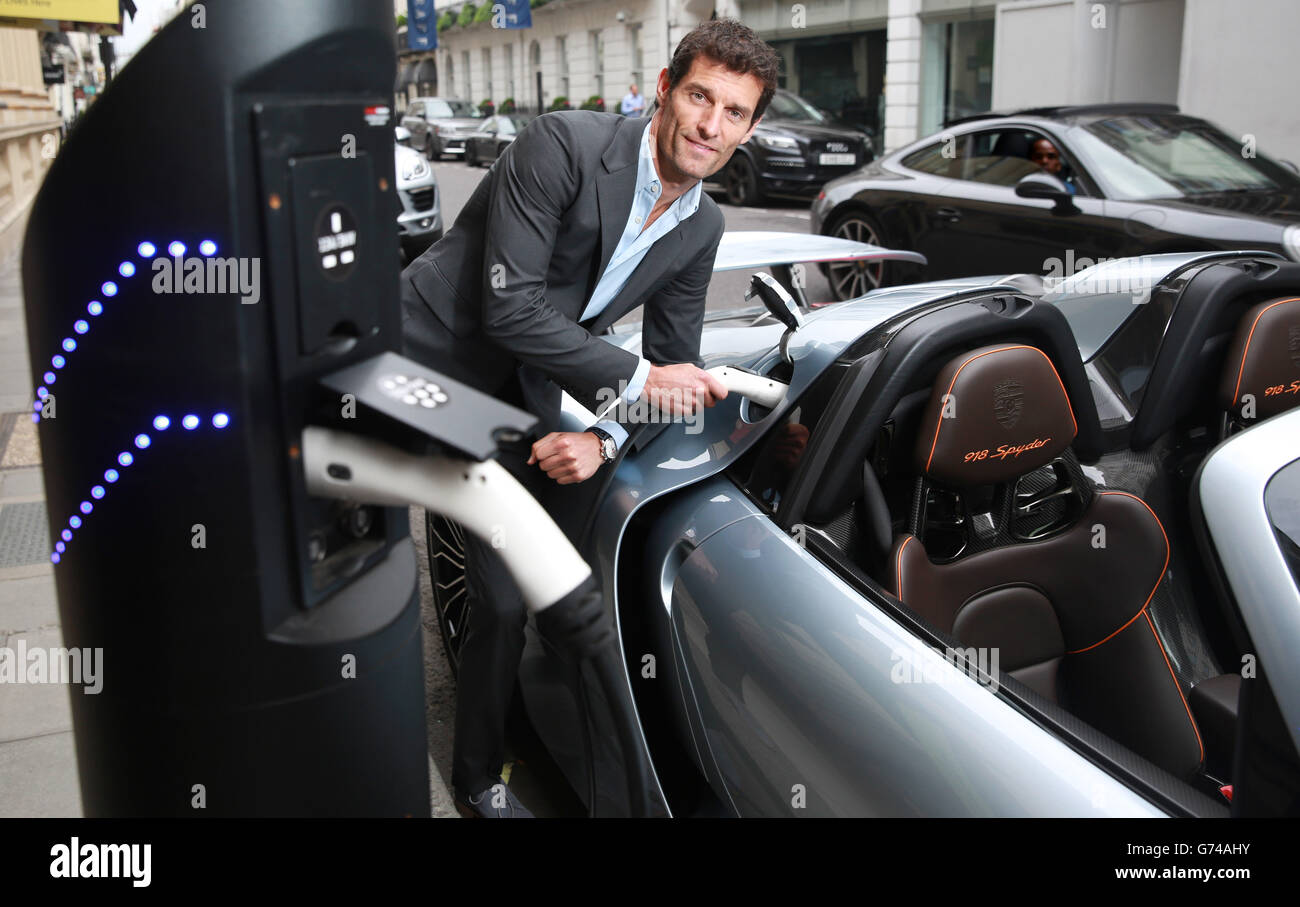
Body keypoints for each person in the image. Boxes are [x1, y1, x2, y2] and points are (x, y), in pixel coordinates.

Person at [399, 18, 781, 818]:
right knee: (477, 596)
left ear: (749, 127)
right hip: (438, 357)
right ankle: (474, 780)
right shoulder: (562, 144)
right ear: (666, 88)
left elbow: (672, 356)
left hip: (533, 387)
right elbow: (509, 308)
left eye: (736, 113)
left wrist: (601, 432)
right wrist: (640, 378)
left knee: (564, 601)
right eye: (702, 96)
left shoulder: (702, 224)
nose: (712, 125)